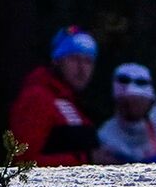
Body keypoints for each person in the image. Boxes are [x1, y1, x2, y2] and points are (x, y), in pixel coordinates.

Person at [8, 25, 123, 166]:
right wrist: (85, 160)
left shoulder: (71, 101)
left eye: (88, 61)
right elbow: (23, 162)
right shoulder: (38, 98)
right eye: (74, 59)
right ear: (57, 60)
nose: (82, 68)